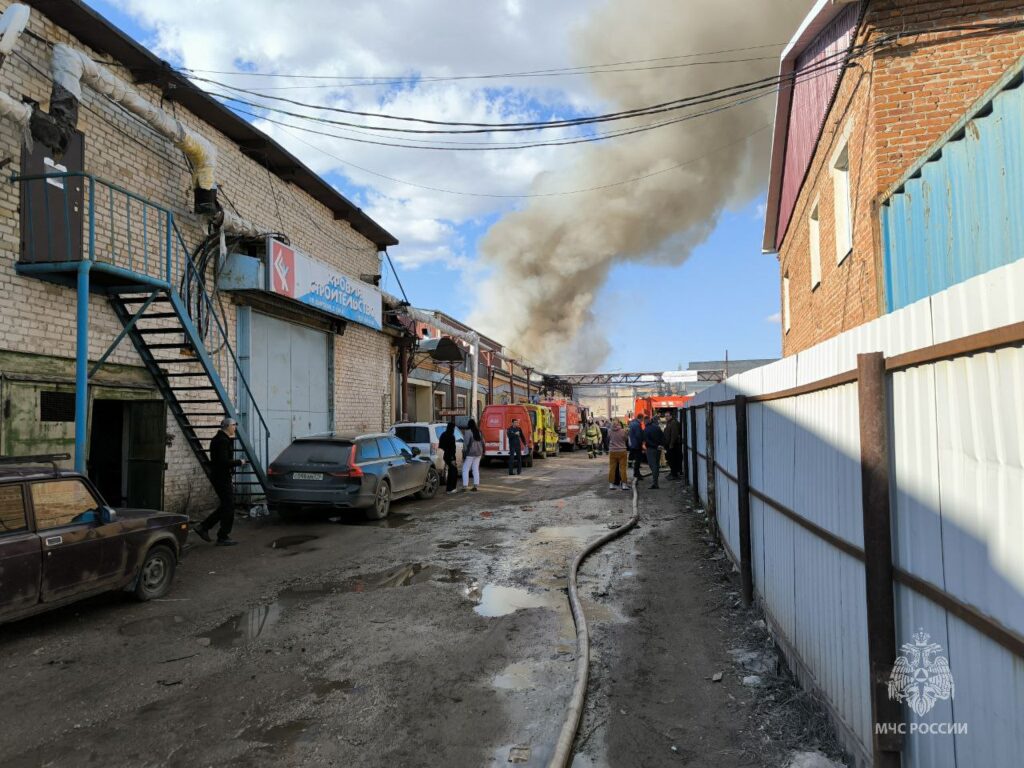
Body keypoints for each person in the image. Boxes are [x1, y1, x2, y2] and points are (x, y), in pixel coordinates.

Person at [193, 417, 246, 546]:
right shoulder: (222, 441)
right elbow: (223, 462)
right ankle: (221, 535)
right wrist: (239, 462)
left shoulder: (220, 439)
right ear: (228, 426)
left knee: (227, 505)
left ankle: (204, 527)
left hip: (220, 476)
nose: (235, 428)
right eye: (234, 425)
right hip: (221, 477)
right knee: (229, 505)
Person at [606, 419, 630, 490]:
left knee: (612, 468)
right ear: (619, 424)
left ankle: (611, 484)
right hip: (622, 451)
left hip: (612, 451)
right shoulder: (623, 431)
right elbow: (625, 439)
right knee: (623, 469)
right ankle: (624, 484)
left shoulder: (609, 431)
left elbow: (609, 438)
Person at [643, 415, 665, 489]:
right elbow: (662, 436)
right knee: (656, 465)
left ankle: (655, 483)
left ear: (645, 421)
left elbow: (647, 441)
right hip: (658, 449)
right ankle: (655, 482)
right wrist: (661, 445)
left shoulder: (646, 429)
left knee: (653, 465)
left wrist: (655, 446)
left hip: (651, 449)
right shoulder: (657, 427)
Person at [461, 418, 484, 492]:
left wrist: (464, 452)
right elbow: (483, 442)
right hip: (479, 452)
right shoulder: (479, 432)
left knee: (465, 469)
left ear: (469, 424)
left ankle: (465, 486)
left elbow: (466, 444)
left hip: (470, 453)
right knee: (475, 468)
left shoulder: (468, 432)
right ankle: (475, 485)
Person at [439, 422, 459, 494]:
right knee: (453, 471)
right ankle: (451, 488)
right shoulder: (451, 436)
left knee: (451, 471)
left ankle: (449, 488)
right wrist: (453, 459)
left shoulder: (443, 434)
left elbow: (441, 446)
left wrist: (446, 450)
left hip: (446, 455)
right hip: (451, 456)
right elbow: (453, 449)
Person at [663, 411, 683, 480]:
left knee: (673, 460)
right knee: (670, 460)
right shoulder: (669, 423)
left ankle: (674, 474)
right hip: (669, 445)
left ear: (671, 416)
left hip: (673, 445)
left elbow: (674, 435)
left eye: (667, 416)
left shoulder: (673, 423)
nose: (666, 417)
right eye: (665, 416)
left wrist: (671, 445)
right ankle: (673, 473)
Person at [628, 415, 646, 480]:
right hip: (637, 445)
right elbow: (638, 435)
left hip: (633, 444)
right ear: (641, 418)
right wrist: (642, 443)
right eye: (642, 419)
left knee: (636, 460)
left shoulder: (632, 423)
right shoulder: (637, 425)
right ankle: (637, 474)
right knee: (638, 460)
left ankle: (637, 473)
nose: (643, 421)